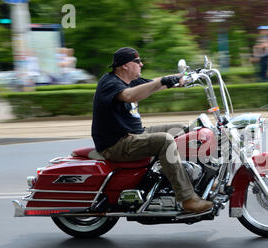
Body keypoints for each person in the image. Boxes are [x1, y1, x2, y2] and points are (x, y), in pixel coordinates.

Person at [91, 47, 213, 214]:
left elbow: (153, 84)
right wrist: (161, 81)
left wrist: (184, 76)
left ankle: (196, 180)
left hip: (135, 135)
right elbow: (129, 96)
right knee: (164, 140)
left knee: (183, 130)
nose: (141, 64)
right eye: (137, 61)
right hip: (116, 144)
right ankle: (187, 198)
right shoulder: (109, 83)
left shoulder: (130, 81)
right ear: (125, 65)